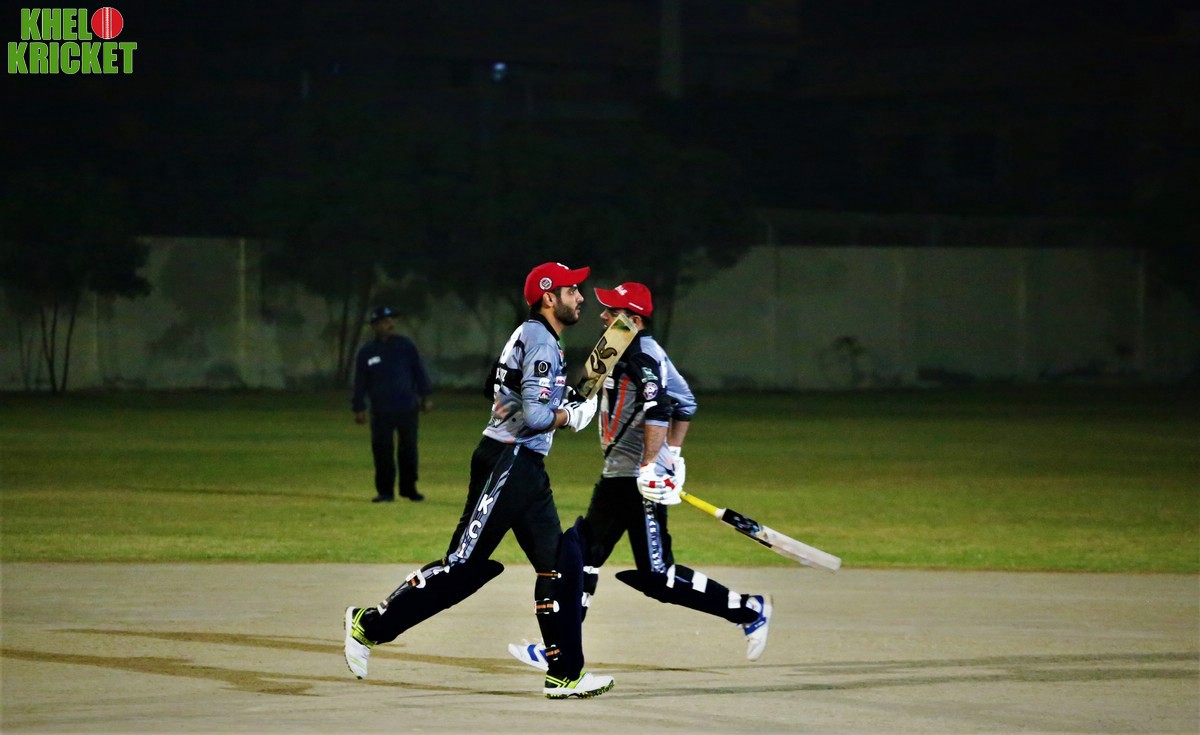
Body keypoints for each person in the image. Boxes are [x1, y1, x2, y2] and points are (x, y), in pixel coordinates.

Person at [344, 262, 616, 699]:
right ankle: (368, 625)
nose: (581, 297)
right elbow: (536, 417)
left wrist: (561, 395)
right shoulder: (541, 342)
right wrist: (572, 415)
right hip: (508, 461)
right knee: (462, 568)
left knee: (559, 565)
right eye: (572, 290)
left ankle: (564, 673)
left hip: (525, 465)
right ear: (549, 297)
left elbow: (498, 384)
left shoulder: (529, 333)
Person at [506, 281, 774, 671]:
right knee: (582, 556)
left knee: (657, 577)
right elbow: (686, 401)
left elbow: (662, 407)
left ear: (633, 318)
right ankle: (558, 649)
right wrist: (673, 454)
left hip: (637, 482)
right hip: (617, 477)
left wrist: (654, 464)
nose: (602, 316)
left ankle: (748, 610)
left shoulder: (641, 354)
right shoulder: (622, 347)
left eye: (612, 312)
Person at [351, 306, 434, 503]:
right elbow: (360, 381)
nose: (390, 324)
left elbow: (418, 371)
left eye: (391, 321)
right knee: (382, 451)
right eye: (385, 321)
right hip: (381, 410)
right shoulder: (367, 352)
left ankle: (409, 489)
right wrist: (359, 407)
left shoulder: (405, 346)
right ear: (375, 325)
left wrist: (425, 396)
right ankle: (385, 491)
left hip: (407, 407)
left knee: (409, 450)